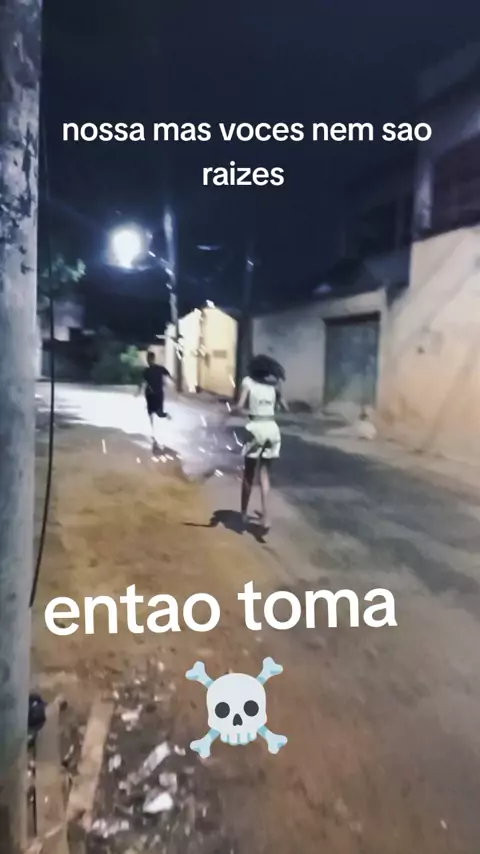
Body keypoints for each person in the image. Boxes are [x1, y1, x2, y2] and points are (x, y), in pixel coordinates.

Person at [234, 355, 288, 532]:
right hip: (272, 429)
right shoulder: (273, 386)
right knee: (264, 474)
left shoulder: (248, 382)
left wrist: (233, 410)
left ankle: (243, 513)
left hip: (256, 429)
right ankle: (266, 515)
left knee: (249, 474)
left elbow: (240, 406)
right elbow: (284, 407)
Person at [138, 351, 171, 450]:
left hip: (157, 393)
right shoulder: (148, 370)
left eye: (149, 359)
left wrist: (171, 381)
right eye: (147, 359)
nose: (148, 361)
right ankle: (153, 431)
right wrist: (138, 390)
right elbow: (142, 382)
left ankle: (165, 416)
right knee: (151, 412)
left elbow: (167, 374)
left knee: (158, 413)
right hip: (151, 393)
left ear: (152, 359)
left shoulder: (158, 369)